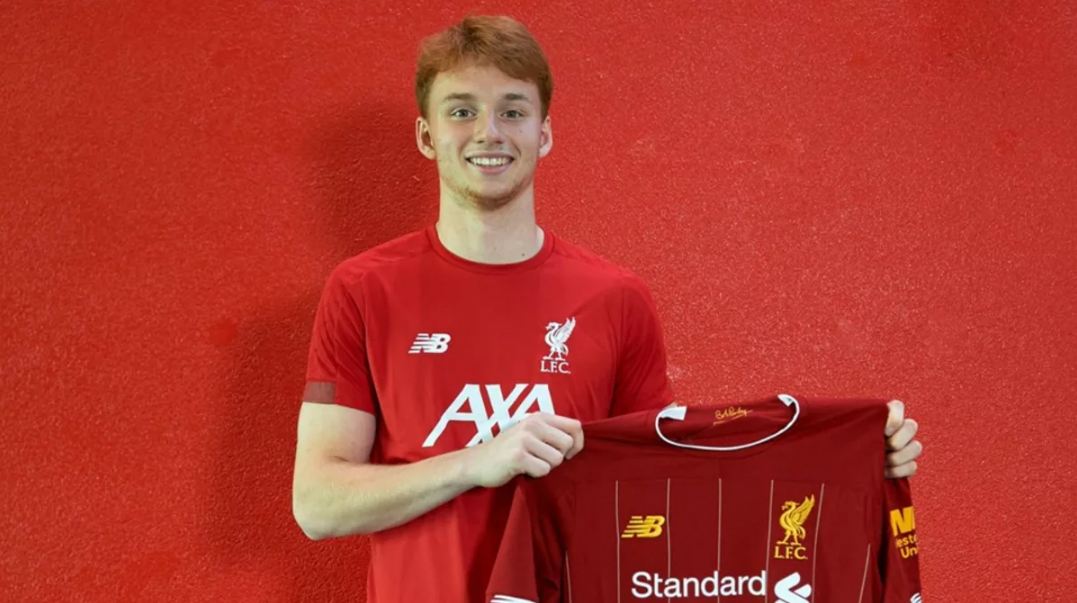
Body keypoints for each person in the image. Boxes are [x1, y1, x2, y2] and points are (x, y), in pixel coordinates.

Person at [291, 15, 922, 603]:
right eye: (462, 110)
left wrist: (856, 458)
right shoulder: (363, 290)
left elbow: (669, 488)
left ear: (543, 133)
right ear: (427, 136)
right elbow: (317, 504)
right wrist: (473, 464)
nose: (489, 132)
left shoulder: (614, 298)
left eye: (513, 111)